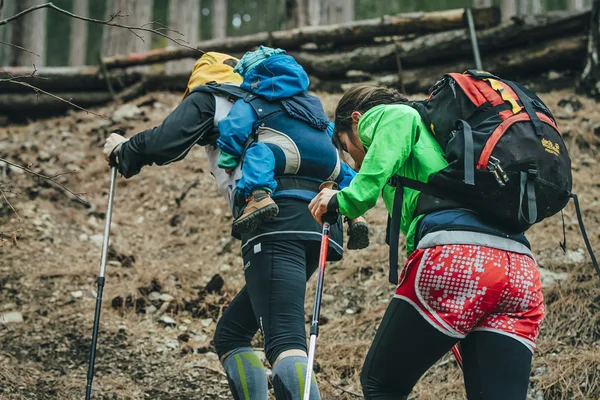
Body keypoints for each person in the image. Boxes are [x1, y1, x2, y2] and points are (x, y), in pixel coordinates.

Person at [102, 51, 345, 400]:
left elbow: (166, 141)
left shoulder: (213, 96)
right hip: (319, 223)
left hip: (275, 220)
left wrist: (124, 150)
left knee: (285, 340)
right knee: (231, 334)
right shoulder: (282, 103)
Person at [309, 85, 545, 400]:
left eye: (344, 145)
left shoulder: (394, 115)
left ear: (356, 120)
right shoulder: (442, 144)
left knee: (382, 384)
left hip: (457, 259)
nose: (351, 160)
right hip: (520, 272)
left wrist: (339, 201)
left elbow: (363, 192)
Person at [215, 46, 369, 249]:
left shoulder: (252, 99)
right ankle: (356, 215)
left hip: (287, 153)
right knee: (345, 173)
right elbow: (327, 126)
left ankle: (259, 197)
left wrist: (228, 156)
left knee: (259, 153)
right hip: (328, 158)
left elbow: (236, 127)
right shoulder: (311, 101)